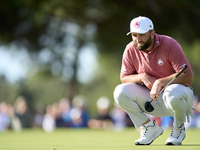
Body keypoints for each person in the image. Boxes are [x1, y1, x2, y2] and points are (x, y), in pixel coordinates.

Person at [113, 16, 194, 145]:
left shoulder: (169, 44)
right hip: (151, 100)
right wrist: (142, 77)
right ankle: (149, 127)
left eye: (142, 35)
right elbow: (124, 78)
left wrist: (160, 82)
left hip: (179, 98)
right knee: (119, 91)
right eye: (134, 35)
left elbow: (188, 75)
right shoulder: (130, 49)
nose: (138, 39)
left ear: (152, 33)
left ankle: (178, 128)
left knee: (173, 91)